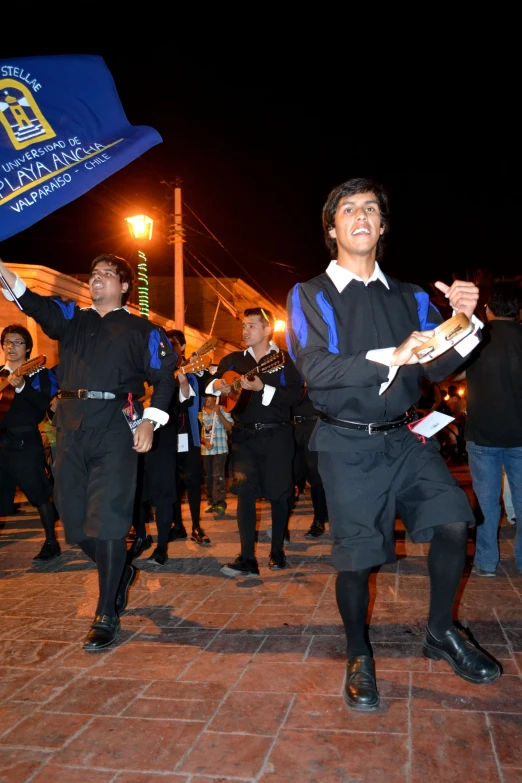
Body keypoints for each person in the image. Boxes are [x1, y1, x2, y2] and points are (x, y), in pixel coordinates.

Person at [286, 177, 501, 712]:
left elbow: (442, 359)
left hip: (406, 437)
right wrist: (393, 355)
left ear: (382, 226)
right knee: (357, 561)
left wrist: (466, 319)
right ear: (332, 227)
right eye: (348, 209)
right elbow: (316, 366)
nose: (360, 216)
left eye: (371, 209)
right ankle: (359, 652)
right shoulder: (309, 294)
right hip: (346, 442)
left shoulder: (409, 295)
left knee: (454, 518)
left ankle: (439, 631)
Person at [0, 253, 177, 652]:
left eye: (107, 275)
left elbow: (165, 374)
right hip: (72, 426)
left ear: (125, 286)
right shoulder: (71, 319)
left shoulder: (142, 330)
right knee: (75, 522)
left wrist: (151, 419)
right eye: (94, 275)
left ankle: (106, 612)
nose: (97, 280)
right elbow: (28, 298)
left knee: (110, 520)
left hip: (116, 428)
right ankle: (118, 572)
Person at [207, 307, 302, 576]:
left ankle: (276, 552)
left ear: (267, 329)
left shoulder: (283, 360)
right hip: (244, 436)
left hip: (277, 435)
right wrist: (220, 387)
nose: (245, 330)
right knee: (245, 494)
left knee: (279, 494)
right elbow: (212, 382)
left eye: (251, 325)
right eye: (244, 326)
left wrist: (264, 389)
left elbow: (295, 395)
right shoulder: (234, 359)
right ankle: (247, 558)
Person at [464, 280, 522, 576]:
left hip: (483, 435)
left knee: (486, 504)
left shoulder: (476, 339)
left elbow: (451, 371)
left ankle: (486, 562)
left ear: (487, 309)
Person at [0, 324, 60, 560]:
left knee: (39, 494)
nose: (11, 346)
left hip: (25, 442)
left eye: (17, 342)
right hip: (1, 443)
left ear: (28, 349)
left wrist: (23, 387)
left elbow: (43, 403)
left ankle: (51, 542)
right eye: (7, 342)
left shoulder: (38, 373)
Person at [166, 329, 211, 548]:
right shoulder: (159, 370)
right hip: (165, 435)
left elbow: (196, 401)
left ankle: (196, 525)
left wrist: (187, 378)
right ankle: (177, 525)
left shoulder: (193, 373)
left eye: (173, 343)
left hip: (188, 433)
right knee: (171, 481)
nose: (169, 346)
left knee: (192, 480)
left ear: (183, 347)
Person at [291, 381, 329, 538]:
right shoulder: (287, 371)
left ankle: (319, 519)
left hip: (314, 425)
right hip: (291, 426)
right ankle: (281, 526)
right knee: (289, 475)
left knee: (315, 476)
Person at [199, 394, 233, 515]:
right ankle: (211, 502)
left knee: (218, 476)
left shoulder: (223, 409)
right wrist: (205, 442)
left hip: (220, 448)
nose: (205, 399)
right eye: (204, 397)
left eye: (207, 397)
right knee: (208, 477)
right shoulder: (200, 412)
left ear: (215, 398)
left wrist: (219, 413)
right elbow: (197, 433)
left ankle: (220, 503)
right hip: (206, 450)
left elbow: (229, 427)